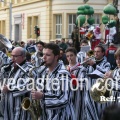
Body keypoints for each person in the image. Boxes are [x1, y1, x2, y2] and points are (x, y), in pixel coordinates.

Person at [31, 43, 75, 120]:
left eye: (48, 55)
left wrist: (42, 96)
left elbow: (63, 99)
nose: (43, 58)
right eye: (43, 54)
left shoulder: (63, 74)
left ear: (56, 57)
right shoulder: (45, 72)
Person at [2, 47, 36, 120]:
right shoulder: (13, 67)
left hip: (21, 110)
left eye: (15, 56)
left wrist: (10, 88)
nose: (12, 58)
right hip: (9, 109)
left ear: (23, 56)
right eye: (11, 55)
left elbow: (29, 85)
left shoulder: (29, 69)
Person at [84, 45, 111, 120]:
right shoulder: (90, 63)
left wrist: (94, 65)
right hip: (89, 93)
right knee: (89, 114)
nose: (96, 53)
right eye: (95, 51)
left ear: (103, 53)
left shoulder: (106, 64)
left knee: (100, 114)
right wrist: (85, 64)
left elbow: (104, 74)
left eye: (98, 51)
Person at [65, 47, 86, 120]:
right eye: (67, 56)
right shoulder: (65, 69)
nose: (69, 58)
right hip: (67, 99)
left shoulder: (81, 69)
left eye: (71, 55)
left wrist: (71, 77)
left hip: (78, 98)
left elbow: (82, 86)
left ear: (76, 56)